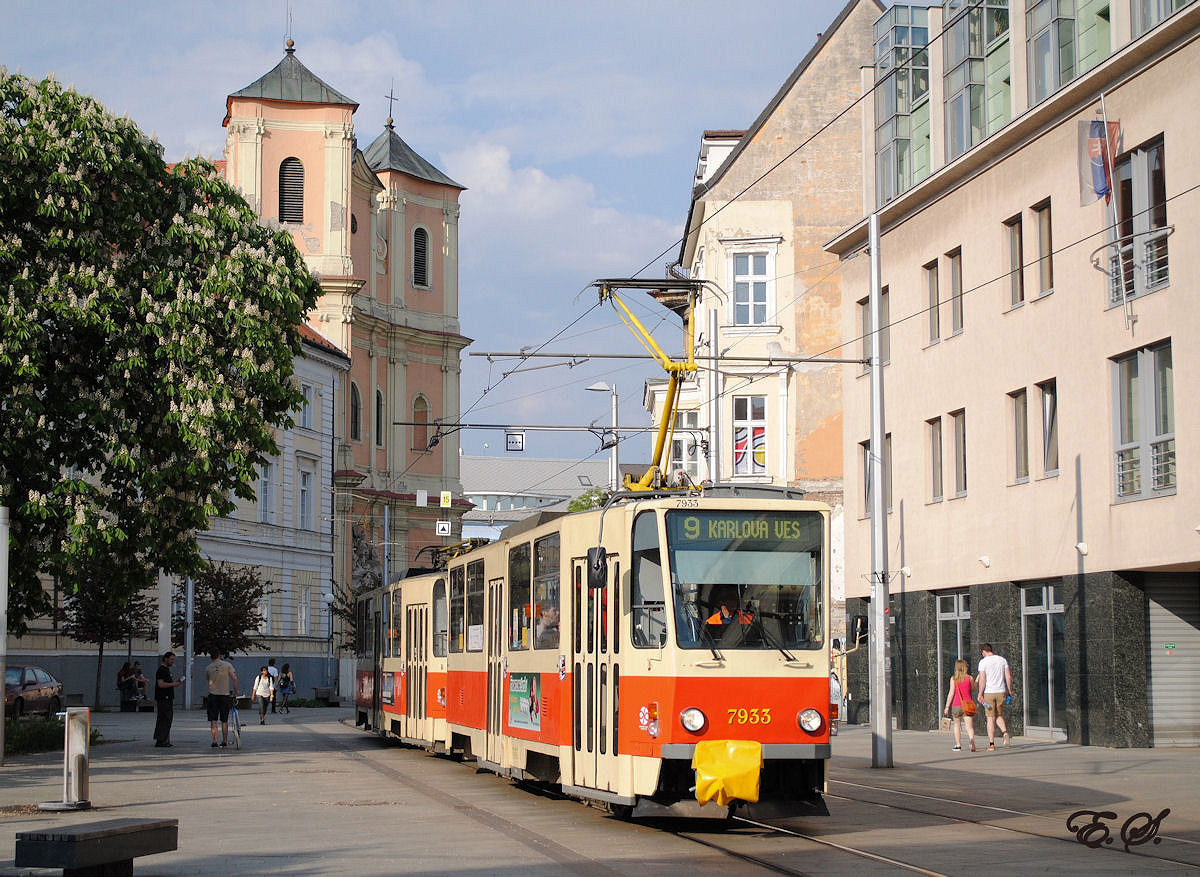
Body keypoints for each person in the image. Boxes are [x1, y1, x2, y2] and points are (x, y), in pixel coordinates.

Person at [976, 643, 1014, 750]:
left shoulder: (983, 662)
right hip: (1001, 691)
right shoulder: (1002, 660)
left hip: (989, 692)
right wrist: (1009, 690)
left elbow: (982, 679)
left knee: (990, 718)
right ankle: (1005, 733)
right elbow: (1008, 676)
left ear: (984, 651)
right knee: (998, 714)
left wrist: (980, 693)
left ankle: (991, 744)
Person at [205, 650, 239, 748]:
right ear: (219, 655)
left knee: (213, 720)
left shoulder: (208, 667)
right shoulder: (227, 665)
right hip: (224, 695)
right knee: (224, 720)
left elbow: (208, 680)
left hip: (212, 695)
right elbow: (235, 678)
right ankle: (224, 741)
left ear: (211, 657)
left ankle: (215, 741)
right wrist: (236, 691)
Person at [942, 658, 977, 752]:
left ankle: (958, 745)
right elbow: (974, 689)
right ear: (965, 667)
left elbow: (951, 693)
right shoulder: (970, 678)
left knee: (957, 725)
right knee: (969, 727)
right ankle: (972, 742)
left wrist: (947, 707)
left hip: (956, 705)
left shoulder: (953, 679)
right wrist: (976, 682)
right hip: (968, 704)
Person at [153, 651, 183, 747]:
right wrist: (174, 684)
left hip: (168, 698)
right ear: (165, 659)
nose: (173, 661)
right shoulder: (162, 670)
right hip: (163, 698)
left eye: (174, 659)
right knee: (164, 718)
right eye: (171, 659)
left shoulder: (167, 670)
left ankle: (163, 739)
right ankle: (161, 740)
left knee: (167, 718)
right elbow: (160, 684)